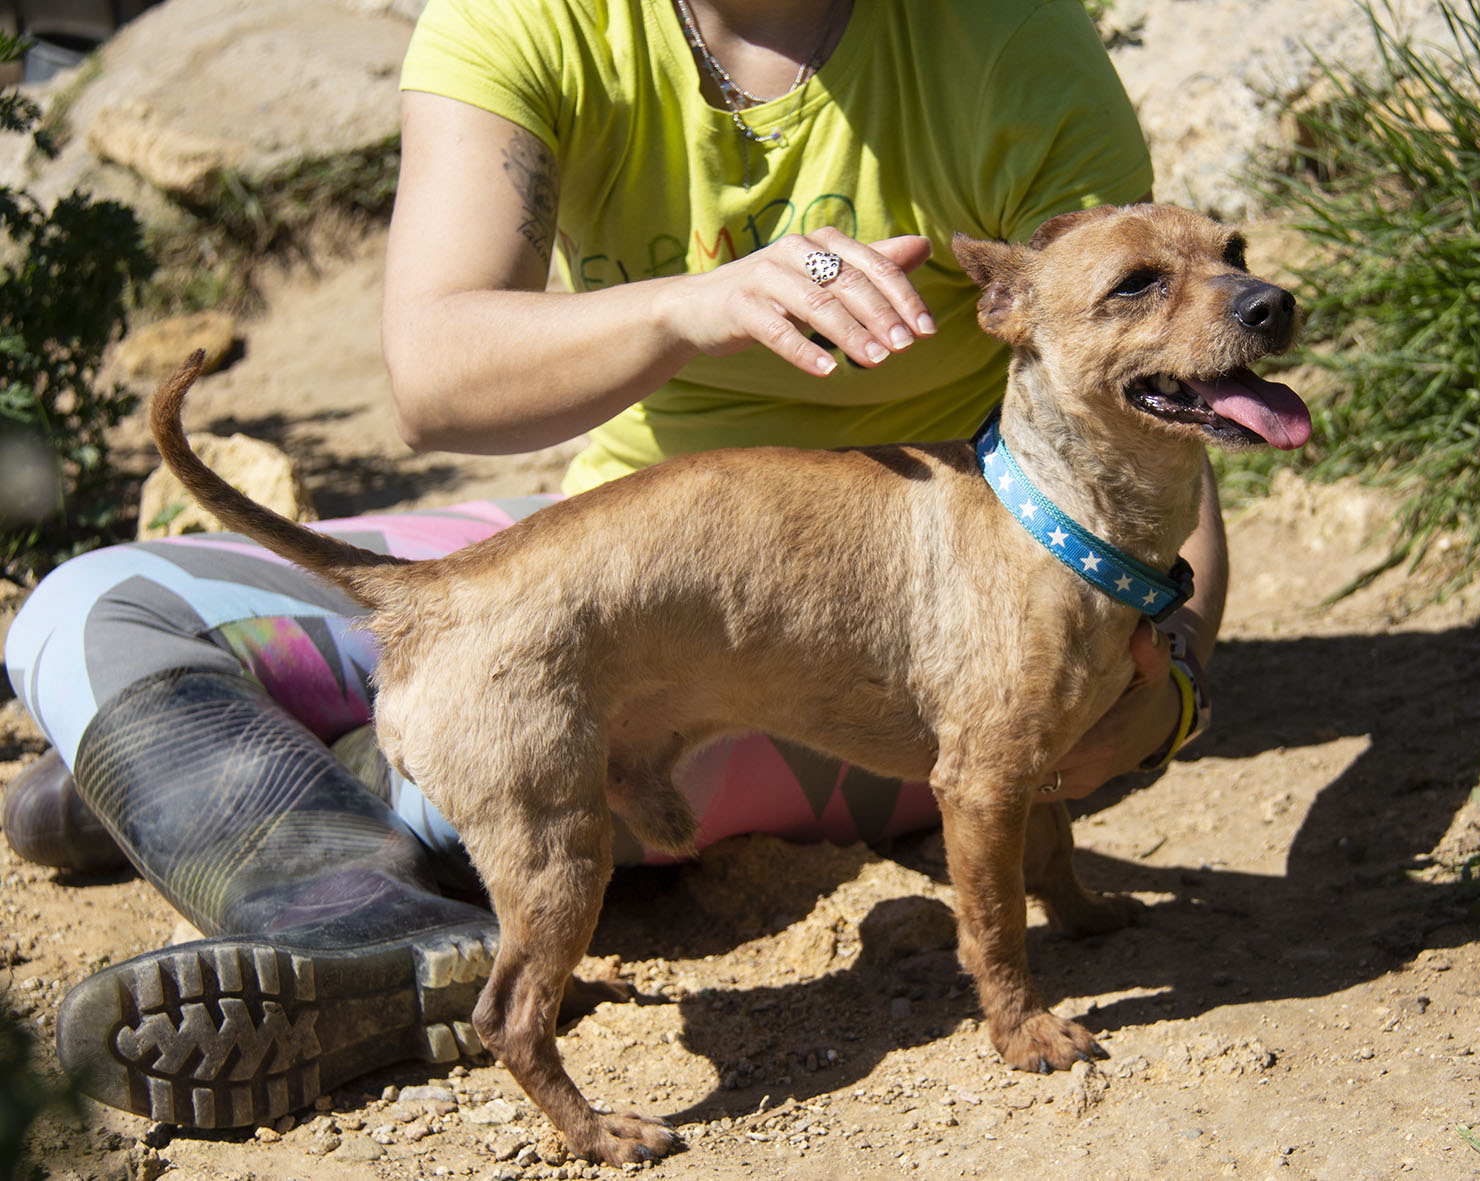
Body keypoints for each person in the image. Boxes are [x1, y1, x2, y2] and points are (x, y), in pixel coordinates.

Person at [1, 0, 1225, 1132]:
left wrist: (1165, 672)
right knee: (90, 600)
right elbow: (430, 378)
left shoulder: (1005, 33)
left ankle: (247, 832)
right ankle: (334, 876)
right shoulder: (531, 17)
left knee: (498, 775)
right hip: (610, 558)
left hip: (894, 654)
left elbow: (1168, 407)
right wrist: (688, 305)